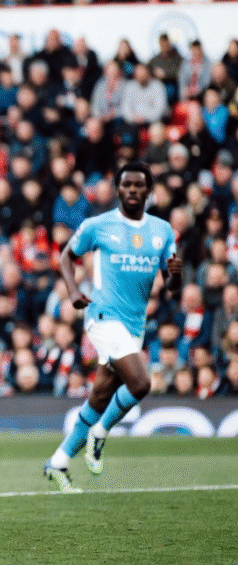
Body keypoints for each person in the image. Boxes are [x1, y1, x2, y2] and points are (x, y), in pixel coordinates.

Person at [43, 161, 182, 492]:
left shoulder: (162, 231)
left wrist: (176, 273)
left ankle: (58, 462)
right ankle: (100, 432)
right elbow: (65, 256)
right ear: (118, 190)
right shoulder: (98, 225)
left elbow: (172, 285)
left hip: (135, 323)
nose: (132, 190)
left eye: (139, 185)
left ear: (148, 191)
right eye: (126, 185)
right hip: (103, 316)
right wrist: (75, 290)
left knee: (101, 394)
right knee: (141, 383)